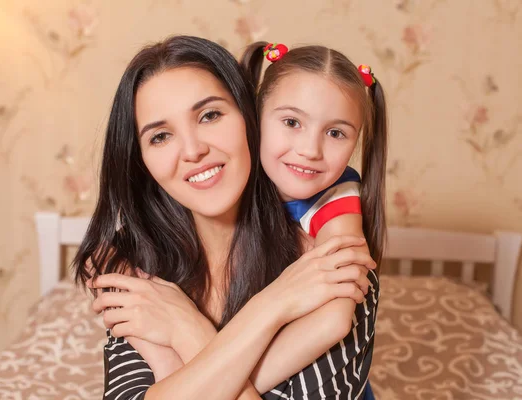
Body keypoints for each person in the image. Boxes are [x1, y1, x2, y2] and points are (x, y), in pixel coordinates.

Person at [74, 35, 379, 400]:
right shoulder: (134, 269)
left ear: (250, 116)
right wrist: (273, 306)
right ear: (141, 162)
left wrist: (186, 331)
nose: (193, 150)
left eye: (210, 115)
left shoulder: (332, 265)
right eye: (160, 136)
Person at [240, 42, 389, 399]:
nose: (310, 149)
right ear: (256, 116)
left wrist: (226, 385)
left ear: (355, 142)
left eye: (335, 133)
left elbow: (335, 320)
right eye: (292, 122)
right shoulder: (230, 178)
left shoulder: (337, 194)